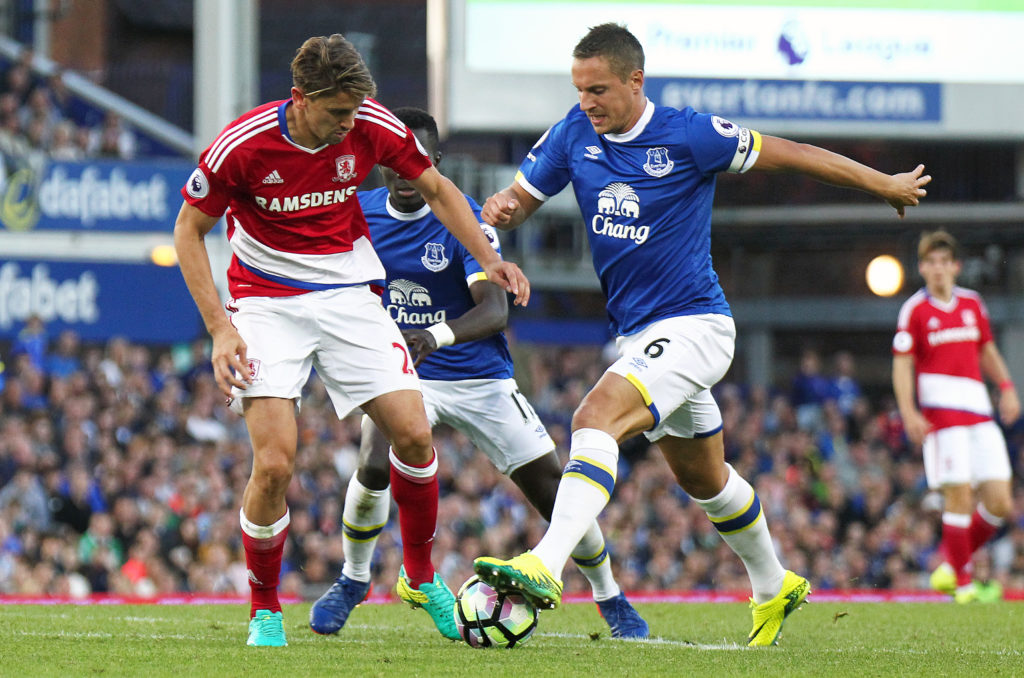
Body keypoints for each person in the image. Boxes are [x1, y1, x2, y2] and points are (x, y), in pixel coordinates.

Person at [471, 22, 929, 647]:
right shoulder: (574, 132)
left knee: (594, 417)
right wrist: (501, 208)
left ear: (636, 80)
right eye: (579, 90)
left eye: (598, 89)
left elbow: (793, 153)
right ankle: (774, 585)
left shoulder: (690, 134)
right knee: (704, 479)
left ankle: (545, 565)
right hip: (639, 337)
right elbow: (522, 198)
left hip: (696, 325)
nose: (587, 103)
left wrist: (884, 185)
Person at [173, 34, 529, 647]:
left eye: (353, 111)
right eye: (336, 112)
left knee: (415, 434)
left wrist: (486, 259)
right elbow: (188, 231)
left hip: (347, 292)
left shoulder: (369, 122)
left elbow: (440, 189)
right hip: (264, 301)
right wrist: (219, 328)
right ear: (301, 98)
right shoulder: (243, 145)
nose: (348, 125)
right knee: (276, 464)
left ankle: (419, 577)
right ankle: (264, 608)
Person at [307, 107, 649, 640]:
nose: (404, 172)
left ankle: (610, 596)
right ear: (380, 163)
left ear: (435, 163)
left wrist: (434, 335)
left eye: (417, 160)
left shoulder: (463, 216)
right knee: (374, 461)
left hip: (477, 373)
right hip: (404, 371)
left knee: (552, 488)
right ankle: (353, 579)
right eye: (395, 161)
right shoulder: (358, 213)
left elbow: (494, 310)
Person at [892, 229, 1019, 603]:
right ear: (922, 268)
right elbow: (902, 366)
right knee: (959, 493)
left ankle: (949, 567)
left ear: (956, 267)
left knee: (999, 502)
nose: (937, 269)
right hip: (942, 417)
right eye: (930, 262)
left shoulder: (972, 303)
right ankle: (963, 585)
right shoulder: (915, 309)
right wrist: (909, 411)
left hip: (979, 412)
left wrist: (1008, 387)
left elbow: (988, 350)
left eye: (944, 262)